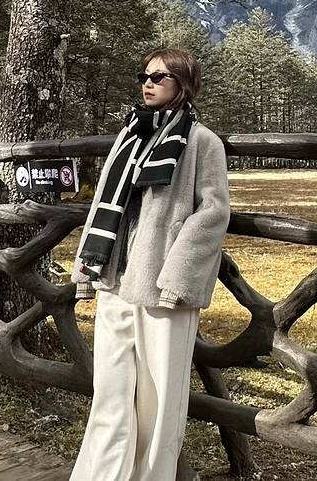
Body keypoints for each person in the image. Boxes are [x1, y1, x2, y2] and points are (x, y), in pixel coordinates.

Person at [69, 48, 230, 481]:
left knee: (160, 405)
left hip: (163, 288)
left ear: (184, 84)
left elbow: (213, 214)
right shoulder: (130, 136)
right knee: (110, 395)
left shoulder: (202, 142)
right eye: (144, 75)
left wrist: (176, 278)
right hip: (114, 281)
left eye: (159, 77)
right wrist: (86, 266)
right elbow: (103, 204)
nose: (148, 83)